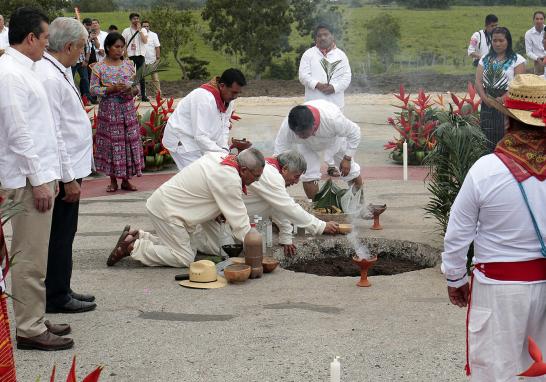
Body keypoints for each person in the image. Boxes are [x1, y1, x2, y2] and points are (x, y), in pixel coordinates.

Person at [442, 73, 546, 381]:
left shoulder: (486, 170)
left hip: (499, 289)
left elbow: (458, 232)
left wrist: (456, 277)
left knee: (498, 368)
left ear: (509, 122)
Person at [0, 7, 74, 351]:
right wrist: (39, 179)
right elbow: (19, 133)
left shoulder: (27, 70)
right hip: (27, 180)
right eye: (45, 38)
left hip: (39, 175)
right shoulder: (10, 74)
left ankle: (35, 316)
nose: (47, 45)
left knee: (37, 255)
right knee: (29, 257)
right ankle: (28, 328)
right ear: (30, 38)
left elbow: (43, 127)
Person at [106, 148, 266, 268]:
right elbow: (241, 223)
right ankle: (134, 247)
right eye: (256, 175)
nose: (257, 180)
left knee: (199, 247)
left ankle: (140, 236)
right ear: (244, 170)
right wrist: (259, 255)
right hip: (168, 211)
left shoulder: (221, 157)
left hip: (168, 206)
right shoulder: (229, 178)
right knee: (184, 257)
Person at [36, 17, 97, 314]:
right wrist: (68, 177)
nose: (83, 53)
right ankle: (56, 294)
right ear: (70, 45)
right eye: (82, 47)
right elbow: (55, 130)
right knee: (60, 234)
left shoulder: (59, 70)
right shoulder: (49, 76)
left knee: (66, 232)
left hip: (71, 167)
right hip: (64, 171)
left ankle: (62, 286)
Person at [193, 150, 340, 257]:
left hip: (232, 220)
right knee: (223, 251)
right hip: (217, 219)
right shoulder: (271, 175)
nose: (296, 182)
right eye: (296, 177)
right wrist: (321, 226)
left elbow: (277, 205)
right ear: (285, 169)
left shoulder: (272, 171)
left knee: (238, 248)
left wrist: (286, 237)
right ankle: (192, 239)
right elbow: (288, 207)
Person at [274, 99, 362, 200]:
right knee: (309, 176)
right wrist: (280, 175)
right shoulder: (287, 127)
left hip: (335, 140)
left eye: (303, 134)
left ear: (314, 125)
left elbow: (355, 132)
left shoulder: (333, 119)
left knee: (351, 172)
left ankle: (360, 206)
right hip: (306, 146)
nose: (300, 136)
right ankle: (317, 209)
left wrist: (347, 158)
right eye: (297, 134)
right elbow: (279, 153)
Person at [162, 68, 247, 170]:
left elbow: (224, 126)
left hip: (199, 142)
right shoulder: (203, 98)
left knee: (211, 173)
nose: (235, 97)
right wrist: (223, 154)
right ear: (222, 86)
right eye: (233, 92)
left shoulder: (228, 99)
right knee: (197, 178)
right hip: (183, 141)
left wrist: (224, 149)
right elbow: (200, 136)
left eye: (238, 93)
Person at [90, 32, 143, 192]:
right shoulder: (99, 67)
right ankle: (113, 180)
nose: (120, 50)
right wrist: (110, 89)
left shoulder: (128, 65)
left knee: (127, 142)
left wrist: (131, 90)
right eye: (116, 46)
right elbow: (92, 90)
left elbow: (137, 88)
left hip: (127, 109)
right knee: (112, 143)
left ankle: (126, 180)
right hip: (109, 111)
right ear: (107, 47)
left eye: (122, 47)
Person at [476, 27, 526, 153]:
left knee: (505, 134)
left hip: (507, 103)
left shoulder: (517, 59)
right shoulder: (485, 59)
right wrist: (485, 98)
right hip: (488, 101)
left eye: (501, 40)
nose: (497, 44)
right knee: (487, 135)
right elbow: (478, 81)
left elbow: (518, 84)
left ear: (508, 41)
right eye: (494, 40)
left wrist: (502, 98)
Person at [298, 24, 351, 110]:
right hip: (313, 106)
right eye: (319, 36)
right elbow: (303, 76)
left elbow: (347, 77)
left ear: (332, 36)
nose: (322, 38)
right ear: (316, 39)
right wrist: (317, 85)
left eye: (326, 34)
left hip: (336, 105)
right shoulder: (308, 54)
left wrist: (334, 88)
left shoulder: (341, 55)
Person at [122, 13, 148, 101]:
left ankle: (143, 96)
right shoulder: (126, 31)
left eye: (137, 18)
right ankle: (131, 95)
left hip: (140, 55)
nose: (136, 20)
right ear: (131, 20)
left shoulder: (143, 30)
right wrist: (125, 56)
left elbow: (145, 41)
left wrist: (140, 30)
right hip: (130, 56)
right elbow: (123, 44)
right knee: (130, 76)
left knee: (142, 76)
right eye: (134, 19)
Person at [141, 20, 161, 97]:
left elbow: (157, 46)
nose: (146, 27)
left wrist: (158, 57)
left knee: (155, 79)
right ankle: (143, 95)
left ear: (149, 27)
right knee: (142, 79)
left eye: (147, 26)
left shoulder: (154, 35)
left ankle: (158, 95)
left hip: (152, 60)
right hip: (142, 61)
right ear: (141, 27)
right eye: (144, 26)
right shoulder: (139, 34)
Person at [526, 11, 546, 75]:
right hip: (538, 61)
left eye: (541, 19)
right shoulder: (528, 33)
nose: (539, 21)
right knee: (539, 81)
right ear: (533, 20)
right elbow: (528, 52)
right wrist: (537, 59)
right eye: (537, 19)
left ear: (544, 20)